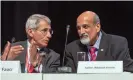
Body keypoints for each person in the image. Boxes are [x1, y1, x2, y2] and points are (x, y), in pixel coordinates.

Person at [65, 11, 133, 73]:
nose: (81, 32)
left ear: (97, 27)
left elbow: (127, 70)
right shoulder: (71, 49)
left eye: (85, 27)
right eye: (78, 28)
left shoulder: (117, 44)